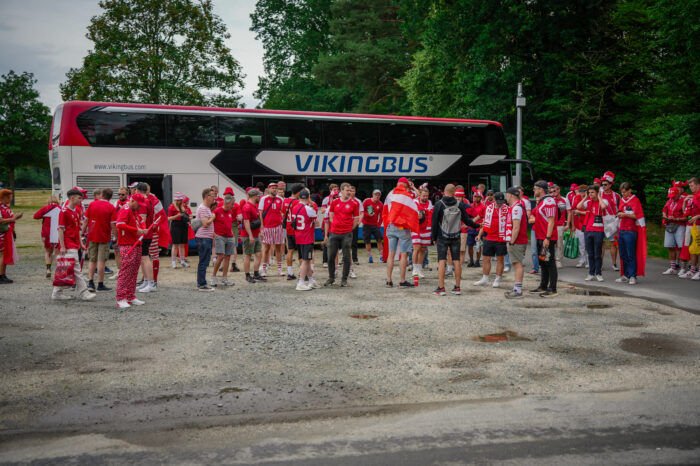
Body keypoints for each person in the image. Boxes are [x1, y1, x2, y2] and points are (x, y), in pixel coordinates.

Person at [431, 184, 479, 295]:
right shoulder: (460, 204)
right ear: (454, 193)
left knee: (442, 260)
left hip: (442, 236)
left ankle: (441, 288)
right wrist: (477, 226)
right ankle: (457, 287)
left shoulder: (439, 204)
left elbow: (434, 223)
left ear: (444, 191)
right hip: (456, 235)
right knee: (456, 260)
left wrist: (433, 238)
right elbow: (467, 221)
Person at [51, 188, 95, 300]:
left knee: (65, 268)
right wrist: (63, 246)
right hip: (68, 243)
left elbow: (77, 229)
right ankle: (84, 292)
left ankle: (57, 293)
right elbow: (60, 229)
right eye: (80, 198)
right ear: (72, 198)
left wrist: (80, 242)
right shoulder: (64, 212)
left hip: (74, 243)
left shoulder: (76, 211)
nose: (82, 200)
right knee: (76, 269)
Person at [384, 178, 420, 288]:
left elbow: (385, 209)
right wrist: (412, 187)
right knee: (404, 255)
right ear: (406, 185)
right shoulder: (407, 195)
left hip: (391, 226)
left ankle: (389, 281)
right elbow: (418, 197)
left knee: (391, 254)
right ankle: (402, 281)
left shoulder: (390, 194)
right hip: (403, 228)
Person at [115, 193, 148, 308]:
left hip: (136, 243)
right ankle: (121, 298)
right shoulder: (126, 209)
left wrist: (143, 228)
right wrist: (137, 230)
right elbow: (120, 224)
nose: (140, 207)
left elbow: (141, 220)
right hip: (128, 244)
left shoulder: (134, 211)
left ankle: (130, 296)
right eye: (139, 205)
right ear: (133, 201)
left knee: (133, 272)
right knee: (126, 272)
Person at [324, 183, 359, 287]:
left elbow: (356, 220)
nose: (349, 192)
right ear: (341, 191)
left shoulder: (354, 204)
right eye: (347, 190)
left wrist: (348, 229)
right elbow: (331, 216)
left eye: (350, 190)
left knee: (347, 257)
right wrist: (336, 226)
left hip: (346, 234)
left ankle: (344, 279)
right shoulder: (334, 202)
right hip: (334, 233)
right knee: (330, 257)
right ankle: (331, 278)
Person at [529, 180, 559, 297]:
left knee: (550, 262)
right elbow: (533, 216)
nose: (533, 190)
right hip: (540, 236)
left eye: (535, 188)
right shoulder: (542, 202)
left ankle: (553, 289)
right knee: (543, 261)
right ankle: (543, 286)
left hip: (547, 237)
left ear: (541, 190)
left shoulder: (549, 201)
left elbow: (551, 220)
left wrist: (548, 237)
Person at [474, 192, 509, 288]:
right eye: (498, 202)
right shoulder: (488, 208)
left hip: (501, 238)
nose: (499, 204)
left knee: (500, 259)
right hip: (489, 237)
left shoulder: (507, 209)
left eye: (501, 202)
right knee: (486, 258)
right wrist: (479, 234)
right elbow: (484, 223)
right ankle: (485, 278)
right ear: (494, 200)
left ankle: (497, 279)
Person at [85, 188, 116, 292]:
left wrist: (82, 233)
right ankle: (100, 284)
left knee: (92, 259)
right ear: (110, 197)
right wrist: (116, 237)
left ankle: (90, 282)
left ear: (102, 194)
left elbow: (86, 221)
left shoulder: (92, 204)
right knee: (101, 261)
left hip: (92, 235)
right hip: (104, 237)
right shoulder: (111, 207)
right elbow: (113, 225)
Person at [616, 182, 646, 284]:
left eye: (624, 192)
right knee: (623, 254)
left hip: (631, 231)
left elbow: (637, 216)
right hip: (622, 230)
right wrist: (620, 214)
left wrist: (624, 214)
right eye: (622, 192)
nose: (623, 194)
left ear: (630, 190)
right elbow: (620, 212)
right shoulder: (621, 200)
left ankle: (633, 275)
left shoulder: (635, 200)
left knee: (631, 254)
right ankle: (625, 275)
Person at [578, 186, 608, 282]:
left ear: (597, 192)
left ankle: (598, 273)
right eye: (589, 192)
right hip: (588, 230)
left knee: (597, 254)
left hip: (599, 230)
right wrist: (585, 197)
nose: (590, 194)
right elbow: (578, 207)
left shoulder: (602, 201)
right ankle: (591, 273)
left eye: (592, 192)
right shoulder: (588, 202)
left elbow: (604, 207)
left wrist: (599, 197)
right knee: (590, 254)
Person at [292, 189, 320, 290]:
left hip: (298, 236)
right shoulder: (309, 209)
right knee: (306, 260)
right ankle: (301, 282)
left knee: (306, 260)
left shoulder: (294, 207)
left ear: (299, 197)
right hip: (307, 237)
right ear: (308, 198)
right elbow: (317, 222)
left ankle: (311, 280)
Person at [210, 192, 239, 287]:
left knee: (227, 257)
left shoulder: (230, 212)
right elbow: (210, 222)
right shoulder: (217, 211)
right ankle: (213, 277)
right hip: (220, 237)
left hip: (230, 237)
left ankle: (224, 278)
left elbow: (229, 224)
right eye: (232, 204)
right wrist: (213, 234)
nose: (233, 206)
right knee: (221, 256)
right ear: (226, 203)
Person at [504, 187, 528, 298]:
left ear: (511, 195)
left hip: (517, 241)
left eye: (507, 195)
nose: (506, 197)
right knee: (516, 263)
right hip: (518, 240)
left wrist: (512, 242)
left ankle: (518, 289)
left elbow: (516, 227)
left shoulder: (516, 208)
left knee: (517, 264)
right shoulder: (517, 206)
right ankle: (516, 287)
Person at [133, 183, 156, 293]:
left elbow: (142, 220)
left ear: (137, 190)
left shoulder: (143, 202)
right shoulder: (148, 200)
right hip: (146, 234)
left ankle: (151, 283)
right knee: (143, 259)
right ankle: (146, 281)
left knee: (145, 258)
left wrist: (138, 233)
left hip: (144, 234)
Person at [258, 182, 285, 277]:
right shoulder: (264, 199)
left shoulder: (281, 199)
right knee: (266, 249)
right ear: (268, 189)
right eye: (272, 188)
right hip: (267, 227)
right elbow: (260, 213)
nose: (274, 190)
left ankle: (279, 269)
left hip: (278, 226)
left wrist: (281, 220)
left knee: (278, 249)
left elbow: (282, 212)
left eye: (275, 188)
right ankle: (264, 269)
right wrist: (262, 226)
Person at [195, 188, 217, 291]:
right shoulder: (203, 208)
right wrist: (213, 217)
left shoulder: (206, 208)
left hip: (206, 238)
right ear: (207, 196)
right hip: (203, 238)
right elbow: (205, 223)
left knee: (204, 261)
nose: (214, 198)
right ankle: (202, 284)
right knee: (204, 261)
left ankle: (201, 283)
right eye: (213, 196)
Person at [661, 186, 687, 275]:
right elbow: (664, 209)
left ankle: (683, 268)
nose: (672, 197)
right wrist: (665, 216)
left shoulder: (684, 201)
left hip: (680, 225)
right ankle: (673, 267)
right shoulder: (670, 200)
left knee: (681, 246)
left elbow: (687, 216)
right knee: (670, 246)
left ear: (678, 193)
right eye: (670, 195)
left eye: (673, 195)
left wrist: (676, 218)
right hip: (669, 224)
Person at [33, 196, 61, 278]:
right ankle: (58, 271)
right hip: (57, 231)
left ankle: (48, 268)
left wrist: (44, 216)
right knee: (57, 252)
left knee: (48, 251)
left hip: (46, 232)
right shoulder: (61, 208)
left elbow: (35, 216)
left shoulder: (45, 208)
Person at [241, 188, 265, 283]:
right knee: (248, 255)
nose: (260, 197)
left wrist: (260, 232)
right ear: (255, 196)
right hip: (248, 236)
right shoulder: (247, 207)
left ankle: (256, 273)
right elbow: (246, 222)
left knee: (259, 254)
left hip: (255, 234)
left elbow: (256, 220)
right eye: (259, 196)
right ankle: (247, 275)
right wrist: (250, 236)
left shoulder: (254, 205)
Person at [600, 172, 621, 271]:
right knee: (602, 243)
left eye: (605, 184)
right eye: (602, 184)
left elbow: (620, 208)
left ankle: (614, 263)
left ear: (611, 185)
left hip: (613, 221)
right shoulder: (599, 194)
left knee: (613, 243)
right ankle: (600, 263)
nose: (603, 186)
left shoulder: (616, 195)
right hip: (602, 221)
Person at [283, 183, 304, 279]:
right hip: (297, 230)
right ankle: (301, 273)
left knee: (290, 251)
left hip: (288, 229)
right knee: (301, 252)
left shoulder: (285, 201)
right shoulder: (298, 202)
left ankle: (290, 273)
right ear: (299, 192)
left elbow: (282, 214)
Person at [0, 189, 21, 284]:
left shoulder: (5, 207)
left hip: (6, 232)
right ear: (4, 197)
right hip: (1, 233)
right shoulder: (1, 207)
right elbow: (0, 220)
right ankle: (1, 275)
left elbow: (11, 217)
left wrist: (16, 217)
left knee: (5, 254)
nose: (11, 199)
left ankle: (3, 274)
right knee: (2, 254)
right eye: (10, 197)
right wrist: (12, 219)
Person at [681, 177, 700, 280]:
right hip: (690, 225)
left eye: (692, 186)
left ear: (698, 185)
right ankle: (692, 270)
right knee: (692, 248)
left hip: (698, 225)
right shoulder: (692, 197)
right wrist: (684, 202)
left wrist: (697, 216)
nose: (691, 188)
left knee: (699, 248)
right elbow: (685, 213)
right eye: (690, 186)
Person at [411, 187, 432, 278]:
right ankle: (414, 269)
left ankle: (419, 269)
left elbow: (429, 210)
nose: (425, 197)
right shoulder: (414, 202)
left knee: (423, 249)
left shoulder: (429, 202)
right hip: (416, 228)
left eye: (427, 196)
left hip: (426, 228)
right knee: (417, 247)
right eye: (423, 195)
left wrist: (423, 211)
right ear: (420, 195)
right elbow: (414, 212)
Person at [109, 186, 130, 279]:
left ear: (127, 194)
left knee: (126, 252)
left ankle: (127, 272)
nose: (120, 196)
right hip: (117, 231)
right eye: (119, 194)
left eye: (122, 194)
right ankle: (119, 271)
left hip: (126, 231)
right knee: (117, 252)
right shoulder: (115, 203)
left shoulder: (130, 203)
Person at [549, 184, 571, 268]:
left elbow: (569, 212)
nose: (553, 192)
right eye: (551, 191)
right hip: (551, 224)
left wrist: (568, 224)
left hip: (560, 224)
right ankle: (550, 259)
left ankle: (558, 259)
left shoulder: (565, 200)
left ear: (558, 190)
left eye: (554, 190)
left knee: (559, 243)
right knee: (550, 242)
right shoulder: (550, 200)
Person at [168, 193, 190, 268]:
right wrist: (177, 216)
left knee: (182, 245)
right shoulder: (171, 207)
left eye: (181, 200)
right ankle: (173, 262)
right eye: (178, 200)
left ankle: (182, 261)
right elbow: (169, 218)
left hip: (183, 225)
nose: (180, 201)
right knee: (175, 244)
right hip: (175, 226)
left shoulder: (183, 207)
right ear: (175, 200)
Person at [362, 189, 384, 263]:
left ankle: (381, 256)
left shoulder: (380, 204)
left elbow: (382, 216)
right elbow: (361, 212)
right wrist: (367, 214)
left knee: (379, 240)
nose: (377, 196)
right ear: (372, 195)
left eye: (378, 195)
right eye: (376, 194)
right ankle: (370, 256)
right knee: (367, 242)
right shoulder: (367, 201)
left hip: (375, 225)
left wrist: (378, 224)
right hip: (366, 224)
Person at [570, 185, 588, 268]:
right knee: (580, 244)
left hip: (587, 224)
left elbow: (590, 213)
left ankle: (588, 261)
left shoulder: (590, 198)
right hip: (578, 224)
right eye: (580, 191)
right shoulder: (576, 198)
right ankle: (581, 260)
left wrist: (580, 212)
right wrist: (573, 225)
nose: (582, 193)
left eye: (583, 191)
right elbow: (573, 212)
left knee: (587, 244)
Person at [466, 188, 485, 267]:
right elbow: (467, 216)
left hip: (479, 228)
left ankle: (477, 261)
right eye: (475, 197)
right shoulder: (470, 206)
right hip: (470, 228)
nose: (476, 198)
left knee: (478, 245)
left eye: (478, 197)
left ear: (480, 198)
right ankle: (471, 260)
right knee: (470, 245)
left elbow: (483, 218)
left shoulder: (483, 207)